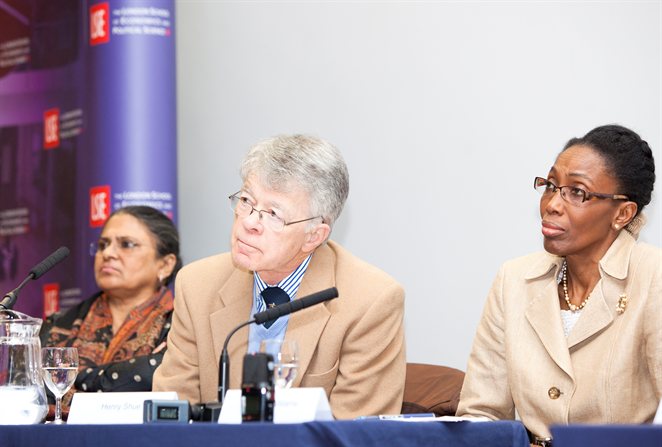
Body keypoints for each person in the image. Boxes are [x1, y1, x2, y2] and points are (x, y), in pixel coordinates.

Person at [153, 134, 406, 419]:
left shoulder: (370, 301)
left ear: (314, 236)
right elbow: (170, 412)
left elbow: (357, 431)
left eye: (273, 214)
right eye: (246, 200)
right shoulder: (197, 284)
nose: (249, 222)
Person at [456, 124, 661, 443]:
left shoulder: (653, 276)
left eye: (577, 192)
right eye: (551, 186)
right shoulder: (514, 279)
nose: (552, 204)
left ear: (622, 214)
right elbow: (482, 414)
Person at [40, 205, 182, 399]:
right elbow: (33, 386)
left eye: (126, 244)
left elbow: (162, 375)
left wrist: (69, 377)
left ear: (165, 265)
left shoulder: (181, 326)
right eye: (102, 245)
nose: (107, 253)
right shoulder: (59, 323)